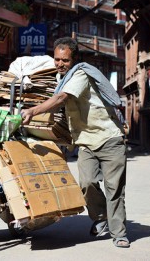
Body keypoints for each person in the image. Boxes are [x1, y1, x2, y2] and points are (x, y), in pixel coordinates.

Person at [21, 37, 129, 248]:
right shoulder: (62, 77)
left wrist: (33, 111)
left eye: (65, 60)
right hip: (86, 141)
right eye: (57, 59)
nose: (60, 64)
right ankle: (101, 217)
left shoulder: (79, 74)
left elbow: (60, 98)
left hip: (109, 137)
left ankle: (119, 233)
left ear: (75, 60)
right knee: (87, 183)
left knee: (114, 188)